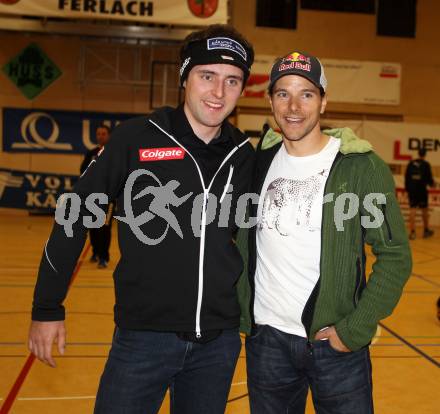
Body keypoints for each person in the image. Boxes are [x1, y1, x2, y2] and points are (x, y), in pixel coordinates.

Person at [28, 24, 254, 414]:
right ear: (184, 77)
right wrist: (47, 307)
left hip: (217, 345)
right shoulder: (136, 139)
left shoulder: (245, 154)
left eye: (232, 81)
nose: (219, 92)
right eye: (207, 76)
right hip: (143, 340)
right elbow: (74, 217)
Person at [237, 51, 412, 414]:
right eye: (283, 93)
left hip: (335, 346)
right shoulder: (258, 161)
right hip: (267, 342)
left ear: (323, 101)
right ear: (269, 101)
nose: (294, 106)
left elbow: (395, 255)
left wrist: (355, 330)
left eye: (307, 93)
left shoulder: (361, 167)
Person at [80, 125, 114, 268]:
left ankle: (104, 257)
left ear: (109, 135)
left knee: (104, 228)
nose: (100, 136)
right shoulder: (92, 153)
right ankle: (95, 252)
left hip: (108, 197)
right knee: (93, 226)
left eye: (103, 133)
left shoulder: (114, 153)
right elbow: (82, 171)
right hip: (92, 197)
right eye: (98, 133)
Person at [405, 148, 435, 240]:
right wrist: (432, 184)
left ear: (418, 154)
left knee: (412, 210)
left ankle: (412, 233)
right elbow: (429, 179)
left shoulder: (410, 164)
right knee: (424, 210)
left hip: (412, 191)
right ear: (425, 155)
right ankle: (426, 231)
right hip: (422, 191)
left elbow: (406, 177)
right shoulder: (426, 165)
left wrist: (408, 189)